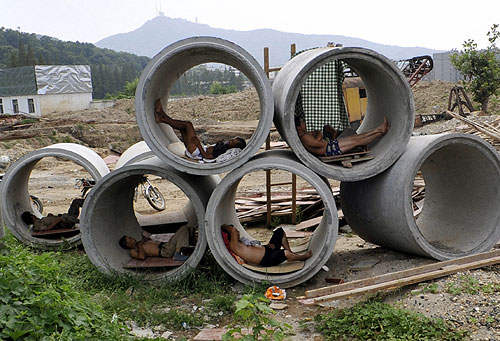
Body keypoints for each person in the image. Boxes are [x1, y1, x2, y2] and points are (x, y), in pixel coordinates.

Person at [154, 99, 246, 160]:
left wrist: (198, 144)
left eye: (233, 141)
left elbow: (207, 156)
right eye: (233, 139)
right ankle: (161, 117)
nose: (231, 140)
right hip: (198, 149)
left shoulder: (225, 151)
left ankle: (162, 116)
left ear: (235, 146)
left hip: (197, 152)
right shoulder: (226, 146)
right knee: (183, 128)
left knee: (188, 125)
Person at [221, 224, 312, 267]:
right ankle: (301, 257)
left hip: (268, 248)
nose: (238, 232)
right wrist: (225, 227)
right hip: (267, 259)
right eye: (237, 232)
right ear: (231, 236)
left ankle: (292, 254)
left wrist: (266, 246)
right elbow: (232, 230)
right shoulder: (235, 246)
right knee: (286, 253)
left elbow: (254, 248)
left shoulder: (240, 242)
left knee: (279, 231)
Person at [295, 115, 390, 157]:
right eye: (302, 122)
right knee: (357, 141)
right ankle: (380, 130)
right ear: (299, 127)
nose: (304, 124)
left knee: (357, 138)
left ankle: (380, 130)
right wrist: (319, 133)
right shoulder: (305, 138)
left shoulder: (305, 136)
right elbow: (319, 144)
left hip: (331, 146)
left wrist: (316, 134)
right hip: (330, 149)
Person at [119, 225, 195, 261]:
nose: (132, 238)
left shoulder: (139, 243)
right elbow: (142, 257)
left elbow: (149, 241)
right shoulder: (133, 251)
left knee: (189, 228)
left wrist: (145, 238)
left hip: (166, 245)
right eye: (130, 239)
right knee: (184, 229)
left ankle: (188, 247)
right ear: (128, 244)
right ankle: (178, 254)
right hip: (165, 251)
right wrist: (140, 245)